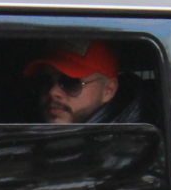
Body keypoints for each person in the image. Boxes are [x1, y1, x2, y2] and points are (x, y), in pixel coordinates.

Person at [27, 39, 155, 126]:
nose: (53, 92)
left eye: (70, 82)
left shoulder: (128, 148)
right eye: (44, 81)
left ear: (108, 90)